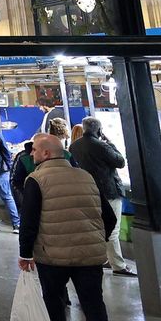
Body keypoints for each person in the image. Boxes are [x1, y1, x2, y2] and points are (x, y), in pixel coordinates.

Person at [17, 133, 119, 321]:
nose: (32, 155)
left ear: (47, 154)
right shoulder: (86, 177)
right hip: (90, 257)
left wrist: (25, 254)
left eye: (36, 150)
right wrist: (98, 239)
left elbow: (29, 221)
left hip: (53, 256)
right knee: (95, 311)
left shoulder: (36, 180)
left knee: (55, 301)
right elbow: (108, 216)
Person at [68, 116, 133, 276]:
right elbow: (120, 162)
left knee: (95, 228)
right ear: (99, 129)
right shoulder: (102, 146)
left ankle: (101, 259)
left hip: (87, 191)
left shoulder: (74, 147)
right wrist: (110, 143)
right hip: (108, 191)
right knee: (113, 230)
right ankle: (118, 265)